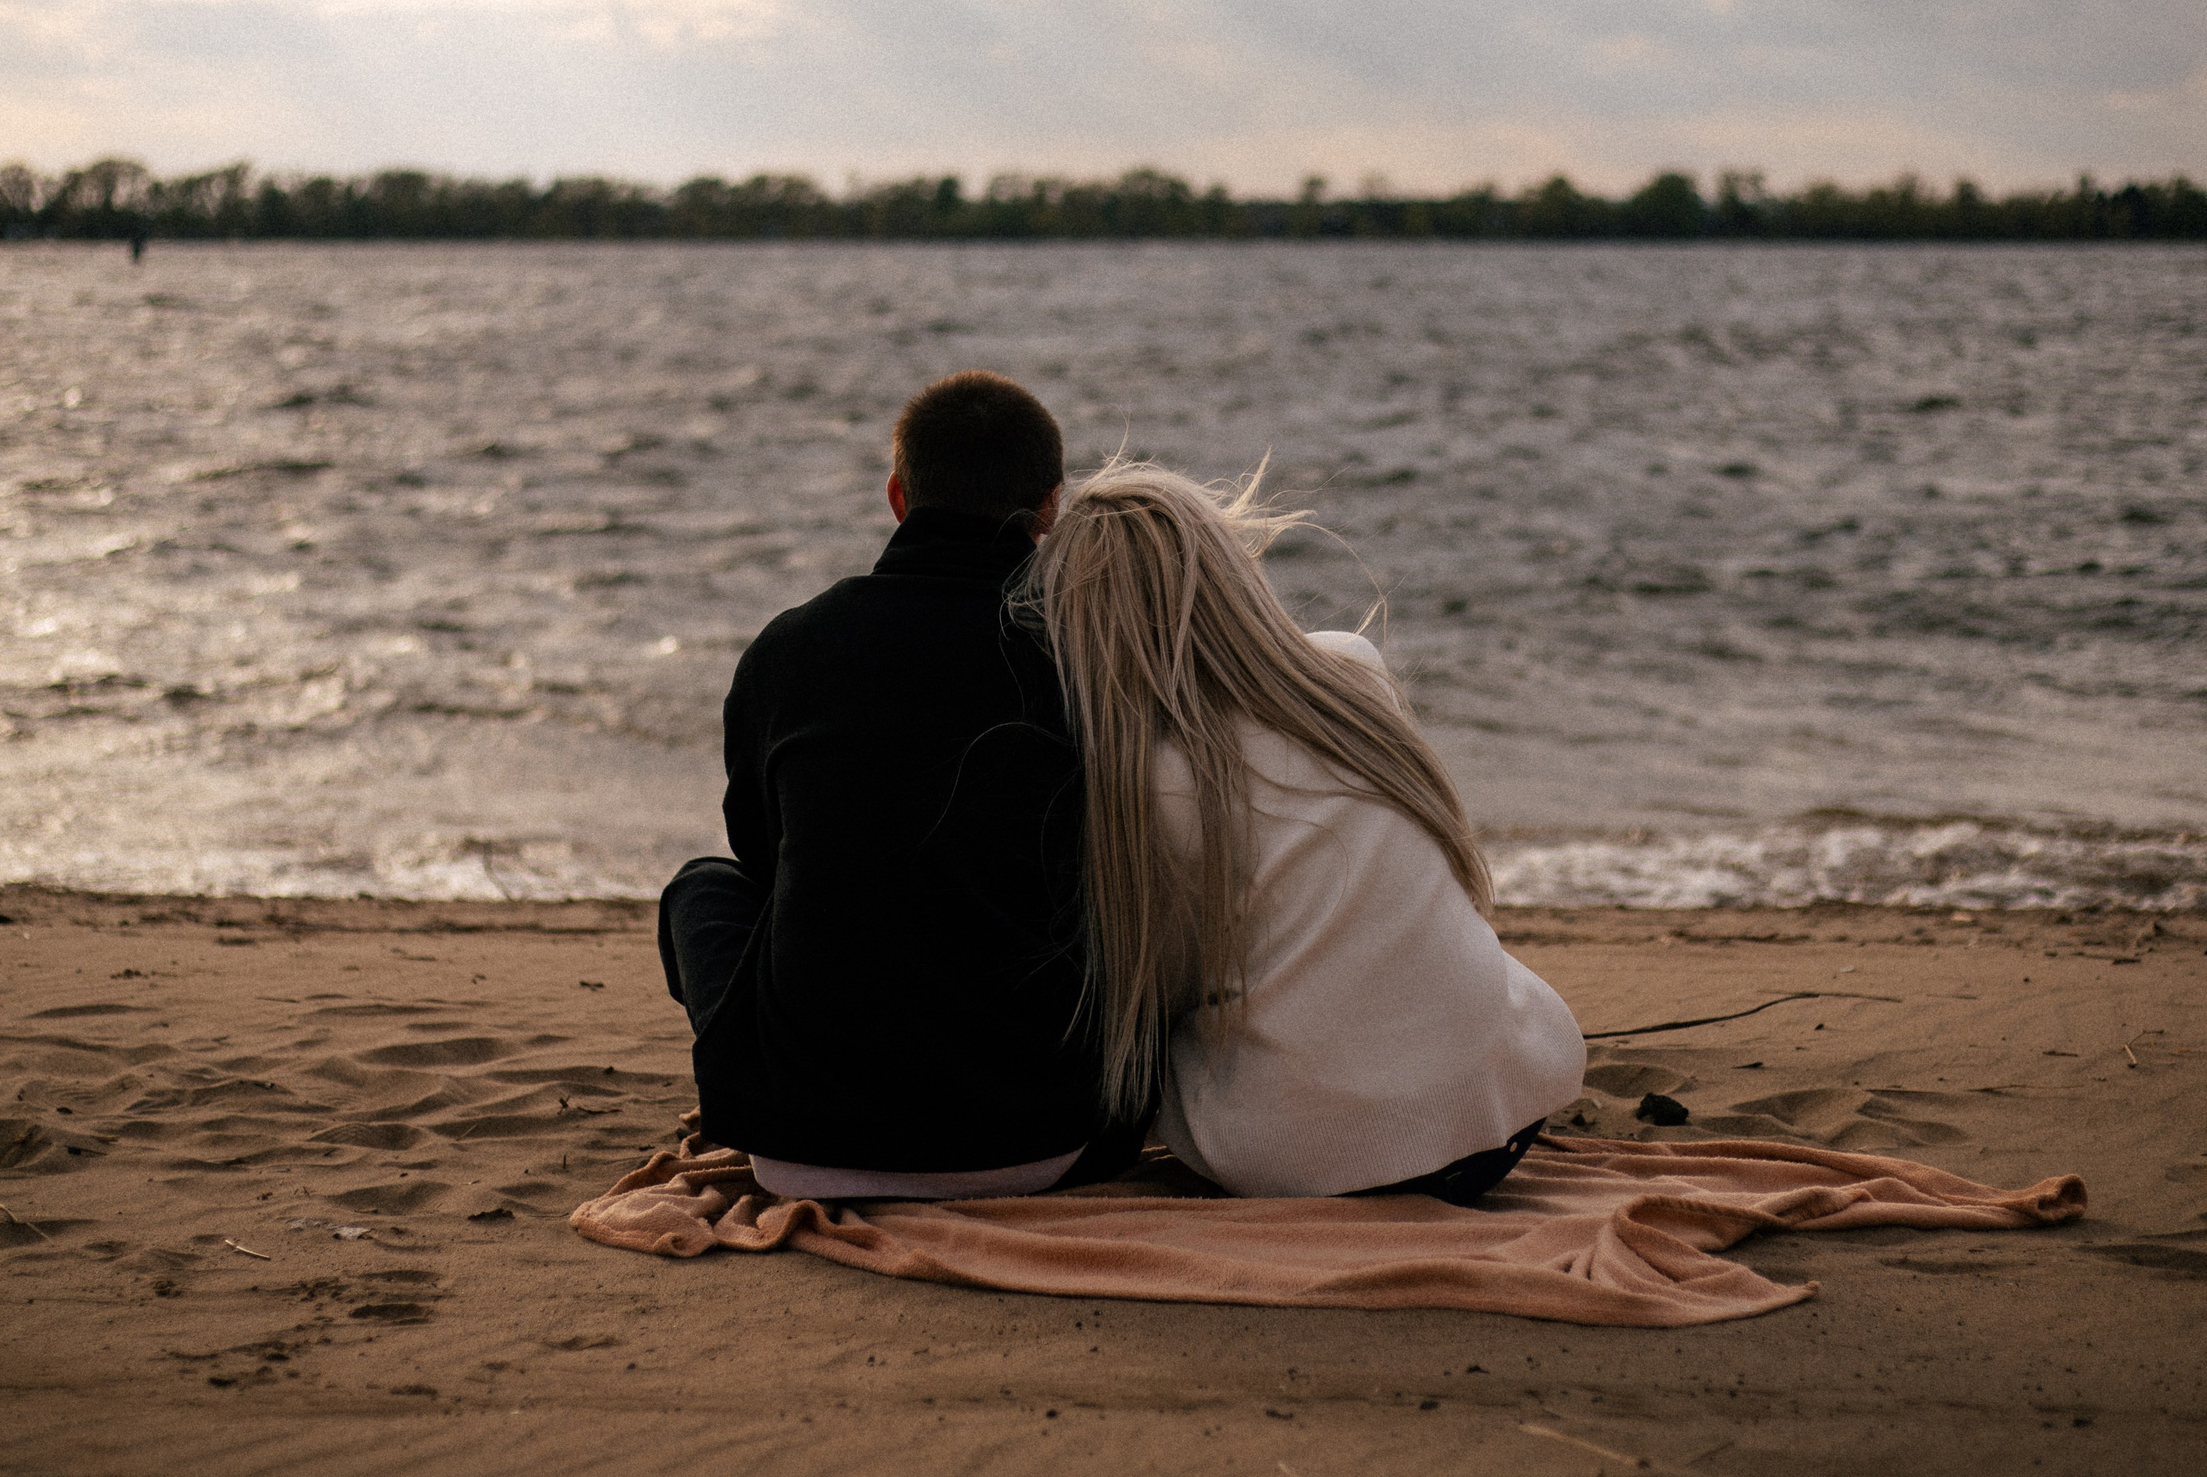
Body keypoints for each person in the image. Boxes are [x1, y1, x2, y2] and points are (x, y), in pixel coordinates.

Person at [1018, 460, 1586, 1202]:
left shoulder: (1143, 786)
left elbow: (1165, 990)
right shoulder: (1353, 675)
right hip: (1498, 1124)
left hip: (1305, 1163)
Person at [657, 372, 1143, 1199]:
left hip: (802, 1143)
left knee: (702, 889)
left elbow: (768, 865)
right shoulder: (1089, 655)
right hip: (1047, 1139)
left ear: (897, 495)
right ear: (1052, 507)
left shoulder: (791, 648)